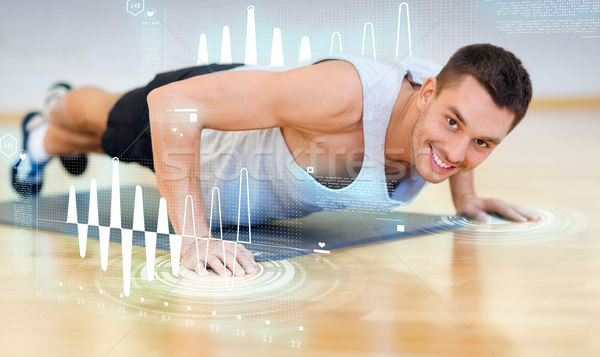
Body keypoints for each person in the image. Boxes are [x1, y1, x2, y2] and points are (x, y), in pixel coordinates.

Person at [12, 43, 540, 277]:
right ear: (426, 95)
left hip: (234, 172)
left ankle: (43, 139)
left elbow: (462, 127)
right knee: (108, 121)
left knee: (96, 141)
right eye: (452, 124)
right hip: (206, 134)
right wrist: (193, 237)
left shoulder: (445, 108)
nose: (456, 153)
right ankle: (60, 104)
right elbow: (172, 107)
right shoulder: (344, 95)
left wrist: (466, 197)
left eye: (483, 144)